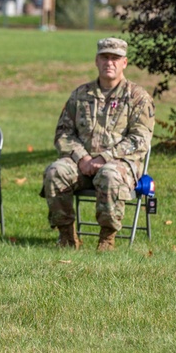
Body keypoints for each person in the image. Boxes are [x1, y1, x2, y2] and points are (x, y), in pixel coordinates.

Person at [42, 37, 153, 251]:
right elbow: (63, 133)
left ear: (124, 63)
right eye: (105, 57)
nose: (109, 62)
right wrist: (82, 157)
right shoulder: (81, 95)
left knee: (109, 174)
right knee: (55, 171)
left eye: (115, 58)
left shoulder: (138, 97)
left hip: (119, 165)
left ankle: (106, 239)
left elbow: (140, 139)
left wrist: (105, 158)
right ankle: (67, 236)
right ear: (96, 60)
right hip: (82, 165)